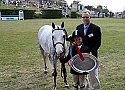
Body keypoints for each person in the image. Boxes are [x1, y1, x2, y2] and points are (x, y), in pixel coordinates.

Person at [76, 10, 101, 90]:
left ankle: (96, 88)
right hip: (82, 56)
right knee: (84, 74)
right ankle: (86, 88)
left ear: (90, 17)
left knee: (94, 75)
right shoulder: (78, 27)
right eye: (84, 17)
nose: (85, 19)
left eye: (87, 17)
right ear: (82, 18)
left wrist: (91, 52)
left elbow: (98, 43)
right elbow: (77, 41)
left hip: (92, 55)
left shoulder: (96, 28)